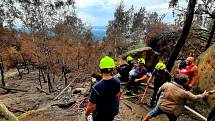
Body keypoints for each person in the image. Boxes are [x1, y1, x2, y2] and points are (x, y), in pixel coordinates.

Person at [143, 74, 209, 121]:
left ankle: (144, 120)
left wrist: (158, 100)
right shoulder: (184, 93)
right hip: (172, 110)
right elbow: (195, 98)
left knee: (152, 113)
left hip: (161, 105)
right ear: (184, 83)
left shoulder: (167, 84)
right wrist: (203, 94)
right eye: (187, 81)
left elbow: (159, 91)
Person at [85, 56, 121, 121]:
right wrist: (115, 106)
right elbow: (118, 95)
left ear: (101, 69)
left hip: (100, 115)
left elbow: (91, 106)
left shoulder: (96, 87)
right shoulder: (117, 81)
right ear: (112, 68)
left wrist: (86, 115)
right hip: (112, 112)